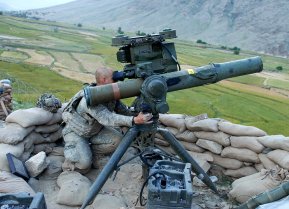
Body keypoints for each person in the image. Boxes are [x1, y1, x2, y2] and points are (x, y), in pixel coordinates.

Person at [62, 67, 152, 172]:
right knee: (84, 165)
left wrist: (138, 114)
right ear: (104, 80)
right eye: (113, 78)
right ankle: (70, 160)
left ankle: (96, 155)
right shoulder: (91, 98)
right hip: (76, 132)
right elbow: (107, 118)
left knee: (117, 139)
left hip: (95, 131)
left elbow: (122, 110)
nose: (116, 80)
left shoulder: (109, 94)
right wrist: (133, 120)